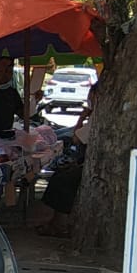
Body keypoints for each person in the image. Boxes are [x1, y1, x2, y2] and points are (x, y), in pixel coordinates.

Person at [39, 83, 96, 237]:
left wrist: (83, 117)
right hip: (83, 161)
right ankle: (54, 221)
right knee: (59, 175)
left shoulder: (96, 118)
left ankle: (60, 224)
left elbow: (76, 138)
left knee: (63, 180)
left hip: (90, 165)